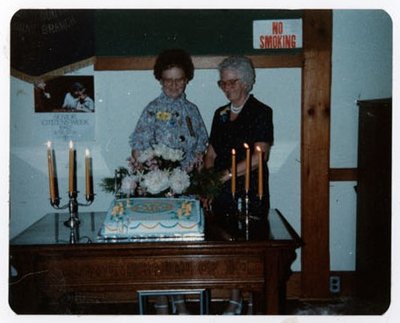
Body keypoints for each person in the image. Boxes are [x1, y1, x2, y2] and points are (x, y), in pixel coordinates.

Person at [129, 48, 208, 314]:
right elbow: (138, 147)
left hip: (184, 190)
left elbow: (201, 146)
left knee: (181, 252)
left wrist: (191, 170)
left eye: (179, 79)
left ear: (187, 79)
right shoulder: (152, 110)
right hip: (158, 192)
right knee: (161, 251)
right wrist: (153, 170)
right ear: (160, 80)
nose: (174, 85)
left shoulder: (192, 111)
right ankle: (164, 302)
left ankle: (180, 301)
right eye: (168, 80)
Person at [204, 55, 274, 315]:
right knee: (227, 250)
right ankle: (234, 300)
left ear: (246, 81)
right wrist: (209, 184)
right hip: (221, 192)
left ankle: (246, 303)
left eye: (232, 82)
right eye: (222, 83)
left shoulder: (261, 112)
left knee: (247, 251)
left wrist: (222, 177)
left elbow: (259, 157)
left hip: (249, 192)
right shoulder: (219, 115)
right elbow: (210, 154)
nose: (226, 88)